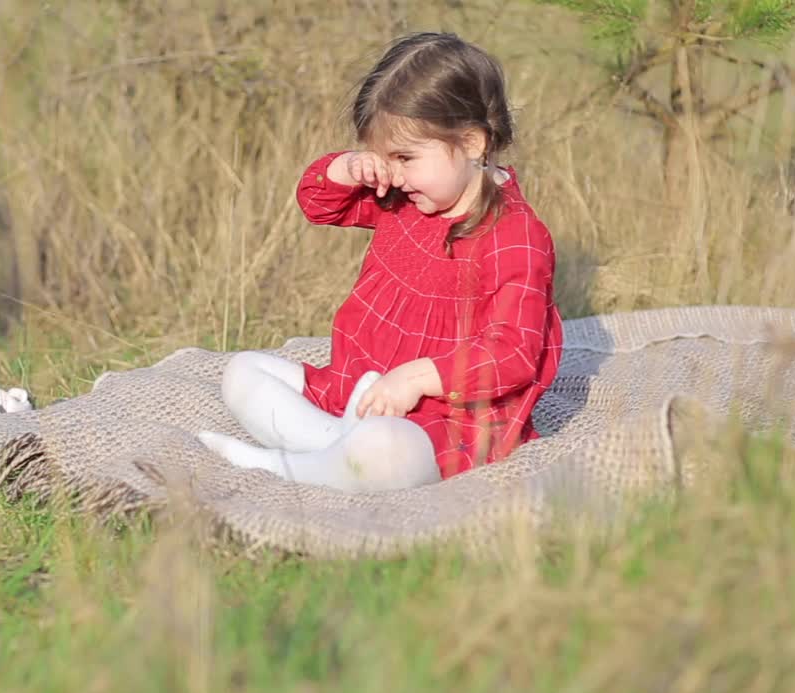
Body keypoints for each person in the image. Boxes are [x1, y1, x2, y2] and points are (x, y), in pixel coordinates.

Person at [195, 32, 563, 492]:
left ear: (471, 142)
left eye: (405, 157)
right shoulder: (408, 197)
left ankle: (279, 467)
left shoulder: (516, 236)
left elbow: (512, 354)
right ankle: (332, 445)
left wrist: (415, 378)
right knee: (243, 372)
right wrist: (347, 168)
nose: (392, 173)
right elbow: (320, 205)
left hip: (440, 420)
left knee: (384, 451)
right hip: (356, 392)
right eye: (382, 157)